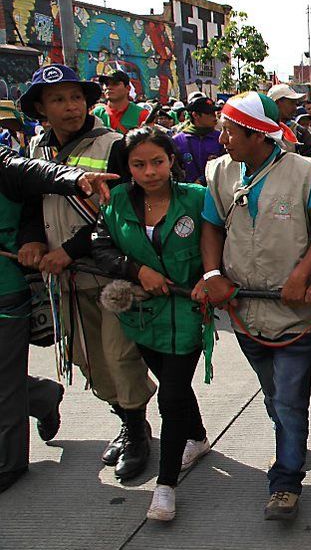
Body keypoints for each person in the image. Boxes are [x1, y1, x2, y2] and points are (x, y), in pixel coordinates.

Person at [197, 91, 311, 521]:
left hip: (295, 312)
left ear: (258, 134)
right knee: (275, 394)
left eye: (230, 130)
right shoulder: (221, 172)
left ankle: (285, 482)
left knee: (291, 399)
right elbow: (210, 226)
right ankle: (291, 442)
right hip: (245, 311)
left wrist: (305, 274)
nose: (223, 138)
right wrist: (211, 276)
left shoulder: (303, 171)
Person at [18, 64, 157, 482]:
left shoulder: (113, 146)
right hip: (65, 278)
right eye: (58, 100)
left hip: (111, 274)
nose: (70, 107)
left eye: (76, 97)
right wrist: (33, 241)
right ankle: (124, 419)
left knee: (120, 356)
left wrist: (68, 249)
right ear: (41, 108)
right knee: (87, 359)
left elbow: (117, 215)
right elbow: (30, 203)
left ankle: (137, 429)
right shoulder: (36, 151)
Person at [92, 127, 212, 521]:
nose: (149, 171)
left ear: (171, 161)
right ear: (127, 167)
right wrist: (134, 269)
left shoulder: (195, 199)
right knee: (173, 388)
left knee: (170, 395)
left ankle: (165, 486)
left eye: (157, 162)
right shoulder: (117, 200)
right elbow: (99, 244)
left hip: (186, 314)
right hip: (139, 316)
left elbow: (220, 244)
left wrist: (210, 280)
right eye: (139, 164)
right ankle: (197, 437)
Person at [0, 142, 119, 494]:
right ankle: (40, 396)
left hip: (4, 288)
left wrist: (79, 177)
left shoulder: (5, 163)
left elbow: (43, 173)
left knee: (3, 383)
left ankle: (9, 463)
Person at [171, 96, 223, 185]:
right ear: (195, 115)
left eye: (214, 113)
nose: (215, 117)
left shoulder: (221, 138)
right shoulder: (178, 140)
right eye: (209, 114)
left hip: (216, 192)